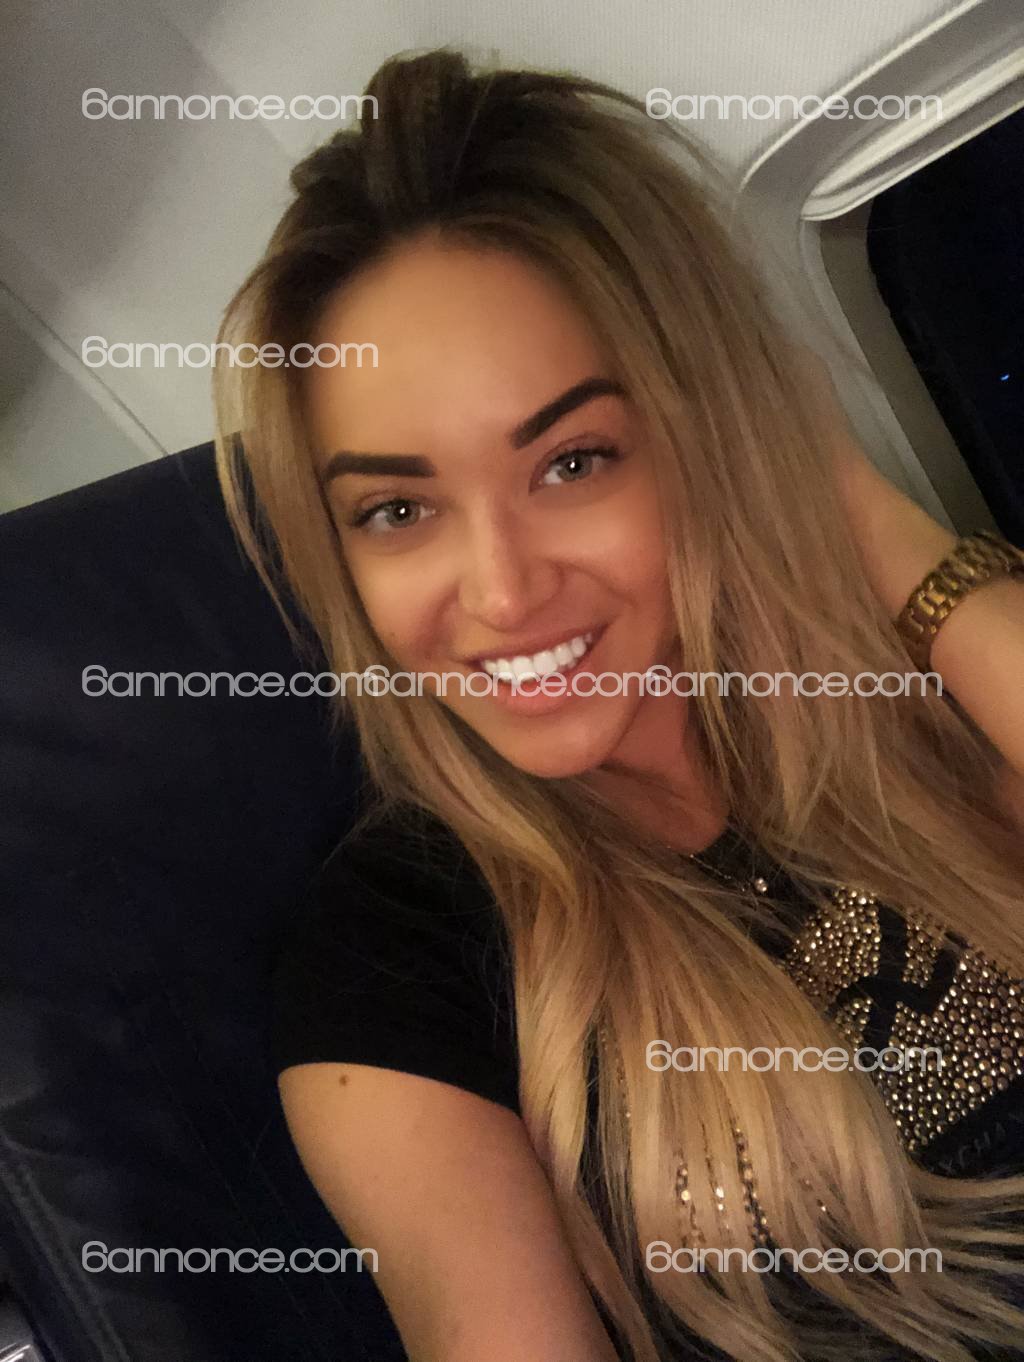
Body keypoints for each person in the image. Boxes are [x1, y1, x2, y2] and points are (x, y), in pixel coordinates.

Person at [211, 48, 1024, 1362]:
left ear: (706, 438)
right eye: (398, 509)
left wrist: (851, 508)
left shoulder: (913, 700)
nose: (501, 590)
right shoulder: (397, 962)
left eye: (572, 460)